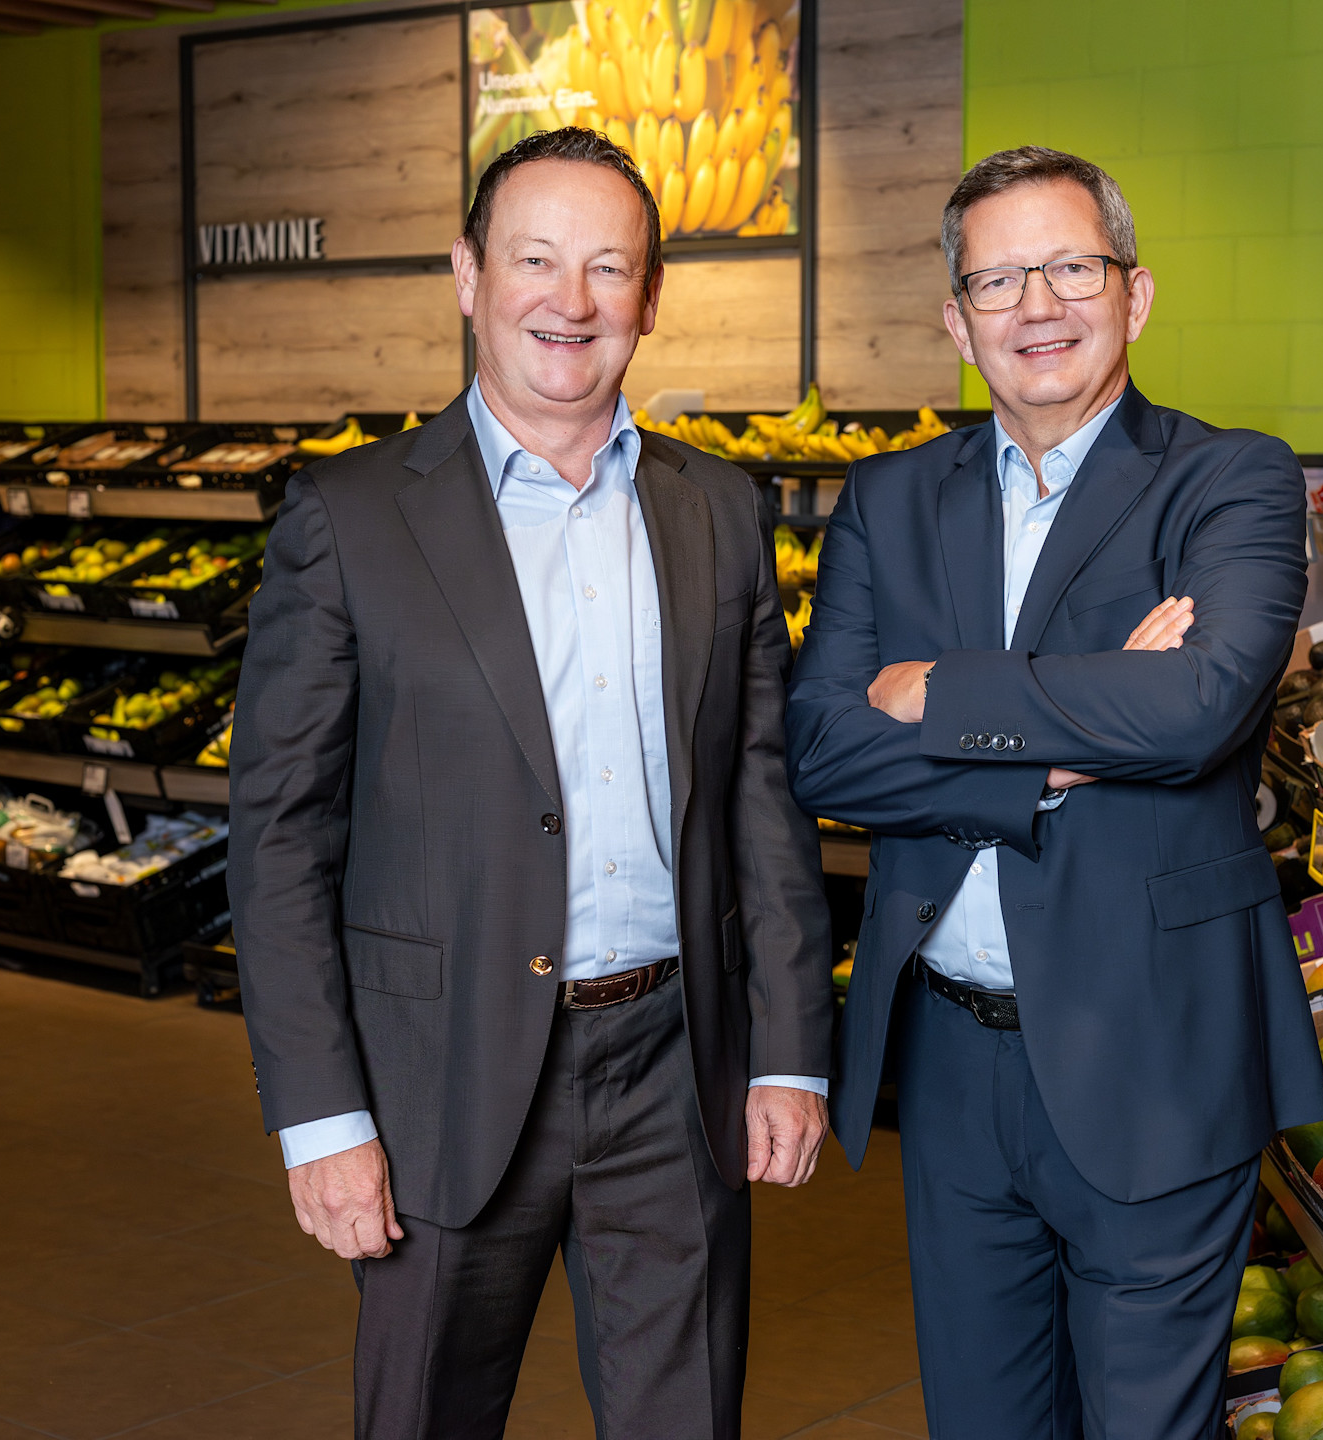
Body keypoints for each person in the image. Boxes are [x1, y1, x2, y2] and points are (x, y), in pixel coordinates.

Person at [228, 127, 833, 1440]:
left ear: (651, 299)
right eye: (536, 260)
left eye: (609, 268)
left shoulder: (718, 509)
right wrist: (320, 1117)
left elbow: (759, 798)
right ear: (467, 274)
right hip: (434, 1080)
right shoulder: (349, 518)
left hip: (673, 1069)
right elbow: (277, 841)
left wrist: (789, 1051)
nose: (572, 301)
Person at [784, 145, 1323, 1440]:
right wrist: (1067, 748)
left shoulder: (1231, 478)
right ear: (955, 321)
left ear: (1134, 295)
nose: (1038, 305)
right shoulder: (890, 500)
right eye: (999, 278)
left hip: (1158, 1050)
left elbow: (1196, 708)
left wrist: (945, 697)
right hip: (951, 1064)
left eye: (1071, 266)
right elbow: (819, 748)